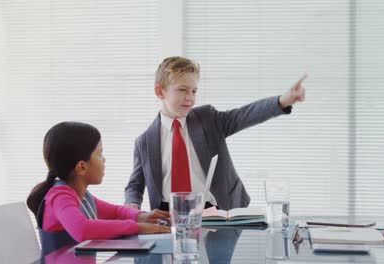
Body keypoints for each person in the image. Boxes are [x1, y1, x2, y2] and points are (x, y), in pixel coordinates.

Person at [124, 56, 307, 211]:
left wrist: (283, 101)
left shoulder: (208, 119)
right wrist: (132, 205)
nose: (190, 97)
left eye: (194, 91)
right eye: (182, 90)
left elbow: (243, 116)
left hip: (218, 211)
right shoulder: (144, 142)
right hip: (168, 216)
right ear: (159, 91)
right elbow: (135, 185)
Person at [26, 121, 170, 255]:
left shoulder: (82, 196)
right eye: (100, 154)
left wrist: (141, 216)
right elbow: (82, 229)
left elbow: (114, 212)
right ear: (82, 167)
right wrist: (138, 227)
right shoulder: (59, 196)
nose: (104, 160)